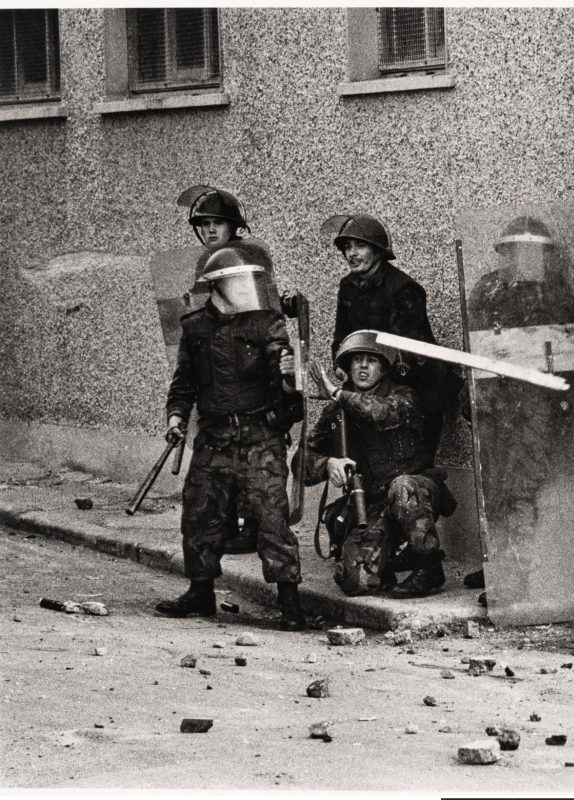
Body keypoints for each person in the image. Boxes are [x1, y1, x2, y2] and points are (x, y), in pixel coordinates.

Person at [154, 241, 307, 631]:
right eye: (240, 281)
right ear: (220, 286)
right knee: (199, 513)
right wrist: (175, 418)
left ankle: (290, 601)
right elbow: (183, 383)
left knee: (273, 519)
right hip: (213, 437)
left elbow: (287, 386)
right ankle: (200, 592)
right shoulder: (195, 328)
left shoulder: (265, 324)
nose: (247, 288)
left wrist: (289, 375)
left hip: (259, 437)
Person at [461, 215, 574, 604]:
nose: (525, 258)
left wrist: (564, 410)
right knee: (493, 485)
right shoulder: (487, 290)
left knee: (521, 489)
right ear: (505, 253)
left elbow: (567, 354)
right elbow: (475, 346)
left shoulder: (556, 294)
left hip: (536, 408)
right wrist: (471, 395)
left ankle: (516, 577)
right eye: (517, 250)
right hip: (493, 404)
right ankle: (498, 563)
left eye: (533, 251)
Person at [303, 330, 454, 597]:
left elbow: (379, 413)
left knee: (403, 486)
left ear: (384, 368)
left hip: (413, 496)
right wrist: (328, 463)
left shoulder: (402, 396)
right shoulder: (335, 412)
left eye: (370, 360)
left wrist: (338, 394)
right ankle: (389, 561)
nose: (362, 366)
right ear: (348, 367)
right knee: (355, 580)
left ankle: (428, 566)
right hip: (371, 505)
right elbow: (302, 461)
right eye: (356, 360)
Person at [321, 213, 461, 454]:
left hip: (417, 388)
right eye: (347, 247)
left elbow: (413, 352)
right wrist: (341, 364)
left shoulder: (403, 289)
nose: (352, 254)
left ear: (377, 251)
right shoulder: (347, 286)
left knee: (413, 465)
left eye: (360, 246)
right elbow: (342, 337)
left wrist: (375, 382)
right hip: (373, 388)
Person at [175, 184, 262, 555]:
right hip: (211, 368)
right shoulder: (204, 262)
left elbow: (259, 317)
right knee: (214, 452)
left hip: (248, 370)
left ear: (234, 226)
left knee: (253, 454)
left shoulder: (250, 258)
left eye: (218, 223)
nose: (211, 231)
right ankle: (223, 522)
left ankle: (255, 525)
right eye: (205, 224)